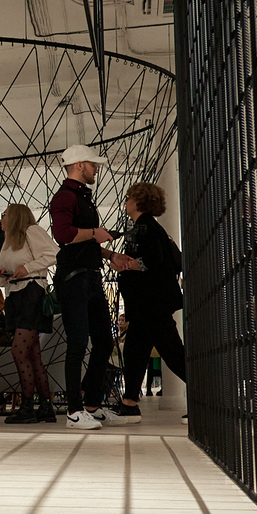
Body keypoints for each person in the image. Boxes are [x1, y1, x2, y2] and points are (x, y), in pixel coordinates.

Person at [48, 145, 137, 429]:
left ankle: (92, 405)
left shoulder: (81, 196)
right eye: (92, 164)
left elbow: (84, 241)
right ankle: (74, 411)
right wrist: (94, 233)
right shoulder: (65, 196)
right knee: (77, 342)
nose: (96, 169)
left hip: (89, 275)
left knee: (103, 342)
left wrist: (110, 255)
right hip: (74, 277)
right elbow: (62, 234)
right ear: (79, 165)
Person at [112, 181, 186, 423]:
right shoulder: (147, 227)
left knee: (172, 352)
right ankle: (129, 404)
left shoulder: (145, 227)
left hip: (151, 304)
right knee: (135, 351)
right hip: (147, 305)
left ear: (138, 201)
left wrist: (126, 264)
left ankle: (207, 397)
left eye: (128, 198)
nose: (125, 202)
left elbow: (153, 260)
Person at [0, 202, 62, 424]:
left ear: (14, 217)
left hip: (31, 293)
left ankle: (27, 406)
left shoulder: (31, 231)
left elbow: (55, 253)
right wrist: (1, 274)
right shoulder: (8, 241)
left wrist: (28, 268)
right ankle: (45, 406)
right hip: (15, 296)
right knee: (32, 354)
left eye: (4, 215)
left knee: (19, 351)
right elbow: (1, 278)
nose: (1, 219)